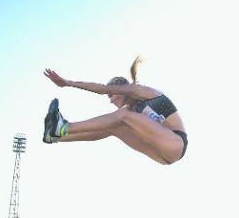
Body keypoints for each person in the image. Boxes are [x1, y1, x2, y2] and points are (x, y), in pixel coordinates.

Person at [42, 56, 188, 165]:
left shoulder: (141, 91)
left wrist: (68, 83)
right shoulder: (132, 112)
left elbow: (101, 89)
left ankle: (64, 127)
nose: (111, 100)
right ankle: (55, 137)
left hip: (175, 143)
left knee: (123, 116)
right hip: (161, 155)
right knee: (113, 128)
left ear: (121, 90)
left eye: (111, 95)